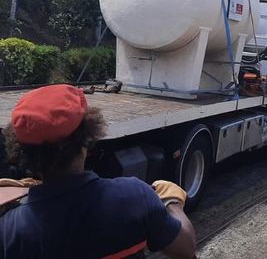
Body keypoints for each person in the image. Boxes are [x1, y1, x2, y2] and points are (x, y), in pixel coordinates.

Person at [0, 84, 197, 259]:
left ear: (22, 150)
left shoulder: (10, 232)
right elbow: (186, 248)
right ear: (85, 138)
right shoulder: (135, 196)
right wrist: (173, 204)